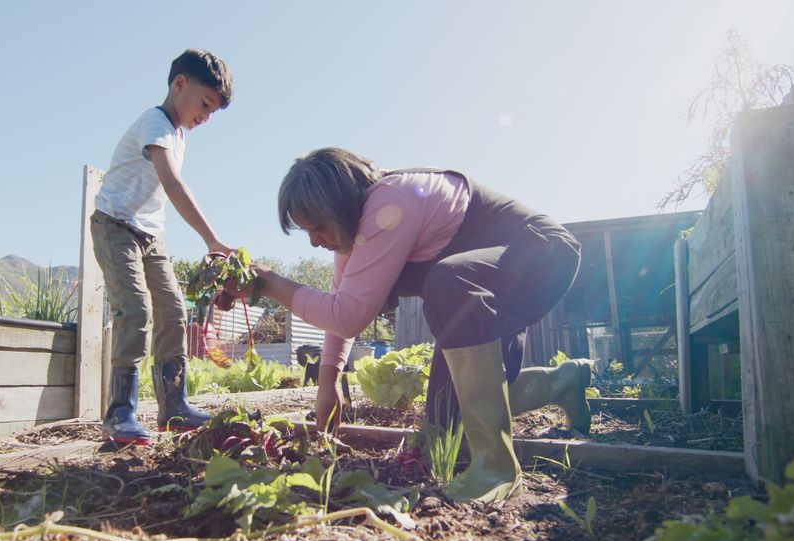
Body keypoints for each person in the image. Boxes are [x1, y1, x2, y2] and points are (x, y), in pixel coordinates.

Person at [231, 147, 590, 502]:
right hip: (486, 288)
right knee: (446, 418)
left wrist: (270, 283)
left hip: (542, 257)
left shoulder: (393, 201)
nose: (313, 241)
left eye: (318, 226)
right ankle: (562, 382)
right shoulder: (354, 241)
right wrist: (327, 382)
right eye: (307, 231)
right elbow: (344, 308)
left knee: (447, 281)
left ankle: (497, 469)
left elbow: (349, 314)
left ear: (339, 205)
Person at [90, 49, 234, 445]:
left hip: (150, 235)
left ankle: (174, 406)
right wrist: (213, 240)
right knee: (135, 310)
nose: (206, 116)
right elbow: (172, 185)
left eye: (213, 112)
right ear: (179, 84)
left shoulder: (179, 135)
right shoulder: (155, 123)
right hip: (115, 225)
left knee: (172, 311)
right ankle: (120, 412)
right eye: (204, 104)